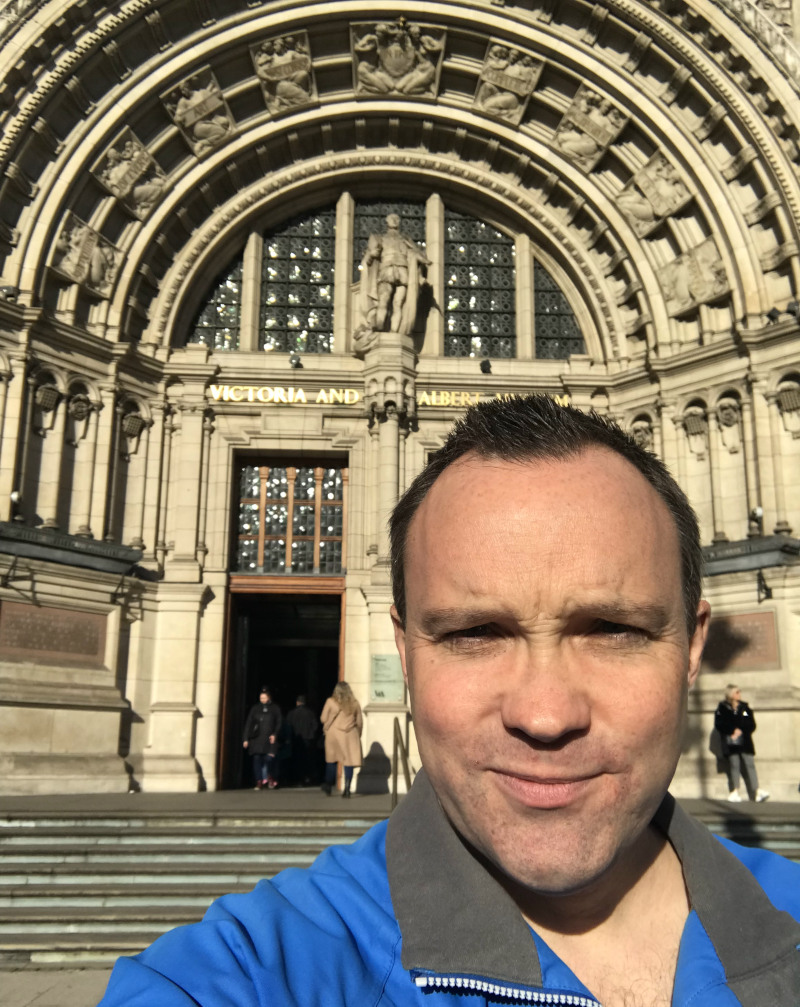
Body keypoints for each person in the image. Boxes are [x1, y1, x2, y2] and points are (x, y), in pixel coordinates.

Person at [97, 395, 800, 1006]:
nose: (546, 714)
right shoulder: (251, 973)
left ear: (693, 644)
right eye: (474, 632)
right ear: (406, 651)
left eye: (612, 628)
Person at [714, 683, 770, 803]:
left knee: (750, 765)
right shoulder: (722, 709)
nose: (739, 694)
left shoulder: (744, 708)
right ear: (731, 694)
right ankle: (734, 791)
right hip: (731, 742)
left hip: (745, 742)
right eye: (737, 692)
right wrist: (731, 731)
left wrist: (741, 730)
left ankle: (756, 791)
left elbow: (750, 723)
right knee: (734, 766)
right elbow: (719, 723)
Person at [320, 681, 363, 798]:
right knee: (349, 762)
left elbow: (323, 718)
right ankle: (347, 789)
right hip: (350, 734)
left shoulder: (330, 702)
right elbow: (359, 721)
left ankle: (328, 785)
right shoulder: (354, 703)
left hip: (334, 734)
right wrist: (358, 734)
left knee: (332, 760)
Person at [241, 686, 281, 790]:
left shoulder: (275, 708)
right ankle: (259, 780)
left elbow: (279, 722)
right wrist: (245, 738)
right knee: (257, 759)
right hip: (256, 739)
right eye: (261, 697)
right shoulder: (255, 708)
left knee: (269, 759)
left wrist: (275, 734)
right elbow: (249, 723)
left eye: (264, 697)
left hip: (269, 738)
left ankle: (269, 776)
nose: (262, 699)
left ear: (269, 697)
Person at [284, 694, 318, 785]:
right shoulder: (310, 713)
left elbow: (287, 726)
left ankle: (295, 778)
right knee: (306, 759)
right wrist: (311, 734)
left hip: (295, 739)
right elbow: (315, 726)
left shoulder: (291, 713)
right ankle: (306, 778)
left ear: (297, 703)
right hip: (307, 738)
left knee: (295, 759)